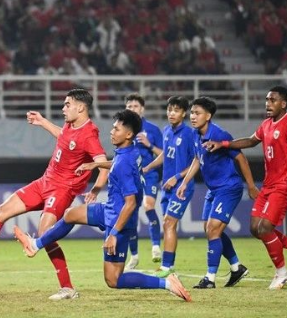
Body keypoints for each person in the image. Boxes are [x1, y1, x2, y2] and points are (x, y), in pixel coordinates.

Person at [0, 88, 109, 300]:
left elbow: (102, 163)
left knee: (45, 232)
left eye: (67, 104)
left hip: (62, 188)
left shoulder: (90, 133)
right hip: (44, 181)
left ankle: (67, 288)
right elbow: (64, 137)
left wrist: (96, 189)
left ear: (80, 107)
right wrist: (42, 121)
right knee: (0, 211)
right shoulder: (70, 124)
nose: (63, 108)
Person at [13, 110, 191, 302]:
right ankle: (36, 244)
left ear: (129, 134)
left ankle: (167, 283)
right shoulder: (130, 151)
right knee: (71, 214)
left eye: (116, 129)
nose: (112, 132)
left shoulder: (124, 162)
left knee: (113, 279)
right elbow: (117, 163)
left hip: (119, 220)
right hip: (109, 209)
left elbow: (130, 203)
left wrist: (114, 233)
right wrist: (95, 165)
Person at [204, 86, 287, 289]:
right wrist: (223, 144)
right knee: (255, 228)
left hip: (283, 184)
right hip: (268, 184)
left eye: (272, 100)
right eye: (267, 99)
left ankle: (281, 273)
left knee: (265, 227)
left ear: (284, 103)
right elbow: (251, 141)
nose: (267, 103)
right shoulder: (266, 124)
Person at [176, 97, 259, 288]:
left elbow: (242, 159)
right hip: (213, 189)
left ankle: (210, 278)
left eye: (197, 113)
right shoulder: (196, 134)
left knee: (213, 229)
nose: (193, 116)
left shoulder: (220, 134)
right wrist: (184, 181)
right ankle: (237, 267)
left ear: (209, 115)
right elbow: (197, 159)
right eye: (192, 113)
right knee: (211, 229)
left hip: (229, 187)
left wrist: (252, 186)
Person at [142, 96, 195, 278]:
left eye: (176, 110)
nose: (172, 113)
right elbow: (166, 154)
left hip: (182, 187)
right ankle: (169, 266)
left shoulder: (189, 134)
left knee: (168, 223)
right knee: (169, 226)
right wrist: (149, 166)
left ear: (184, 113)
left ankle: (166, 267)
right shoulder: (166, 131)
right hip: (167, 186)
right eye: (170, 109)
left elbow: (197, 162)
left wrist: (177, 177)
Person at [123, 93, 164, 269]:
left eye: (136, 106)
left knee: (148, 205)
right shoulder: (122, 128)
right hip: (130, 176)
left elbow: (164, 154)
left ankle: (155, 246)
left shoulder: (153, 129)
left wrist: (148, 144)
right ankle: (134, 255)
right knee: (130, 214)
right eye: (129, 106)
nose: (132, 109)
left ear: (142, 109)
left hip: (149, 174)